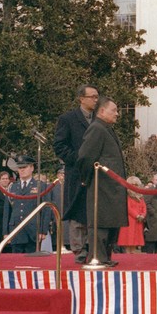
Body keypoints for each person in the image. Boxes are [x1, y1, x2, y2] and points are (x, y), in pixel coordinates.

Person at [76, 96, 128, 267]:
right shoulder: (97, 128)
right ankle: (97, 257)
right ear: (102, 111)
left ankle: (105, 256)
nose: (117, 114)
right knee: (101, 225)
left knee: (111, 223)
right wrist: (87, 179)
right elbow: (85, 157)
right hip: (101, 186)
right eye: (114, 110)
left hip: (111, 186)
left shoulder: (105, 128)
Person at [53, 84, 98, 264]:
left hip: (95, 173)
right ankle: (79, 249)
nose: (96, 100)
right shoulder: (68, 119)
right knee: (77, 211)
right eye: (92, 97)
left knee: (92, 211)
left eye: (97, 97)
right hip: (76, 173)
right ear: (81, 98)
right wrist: (77, 159)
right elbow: (59, 145)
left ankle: (93, 248)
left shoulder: (99, 119)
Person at [3, 155, 51, 254]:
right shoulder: (12, 187)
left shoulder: (40, 186)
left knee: (31, 263)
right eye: (20, 168)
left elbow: (46, 209)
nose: (22, 170)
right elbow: (7, 210)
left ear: (32, 168)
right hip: (16, 230)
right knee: (16, 263)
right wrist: (5, 232)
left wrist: (43, 230)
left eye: (24, 167)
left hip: (33, 231)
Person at [117, 176, 147, 254]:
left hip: (138, 221)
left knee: (135, 239)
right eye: (132, 184)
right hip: (130, 220)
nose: (134, 186)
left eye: (136, 184)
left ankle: (133, 253)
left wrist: (143, 215)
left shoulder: (141, 197)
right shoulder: (127, 196)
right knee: (128, 239)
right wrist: (137, 215)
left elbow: (144, 207)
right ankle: (128, 254)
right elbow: (128, 208)